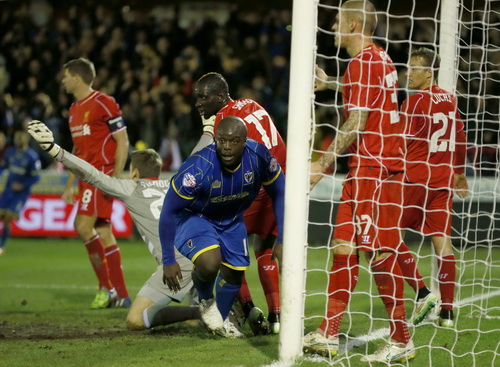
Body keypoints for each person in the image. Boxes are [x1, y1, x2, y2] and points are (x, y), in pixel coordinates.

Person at [26, 120, 230, 335]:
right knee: (191, 324)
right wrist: (208, 130)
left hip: (177, 265)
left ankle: (203, 312)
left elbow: (91, 174)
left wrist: (54, 150)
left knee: (136, 319)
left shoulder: (131, 188)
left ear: (134, 173)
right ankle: (217, 308)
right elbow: (196, 157)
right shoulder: (176, 181)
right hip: (203, 254)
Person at [304, 1, 415, 363]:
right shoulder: (376, 58)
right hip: (364, 168)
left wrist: (321, 163)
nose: (333, 27)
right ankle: (328, 333)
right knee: (343, 247)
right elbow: (365, 92)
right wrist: (330, 83)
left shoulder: (363, 61)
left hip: (376, 169)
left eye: (337, 22)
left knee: (379, 254)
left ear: (352, 24)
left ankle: (401, 339)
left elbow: (358, 121)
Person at [159, 116, 285, 337]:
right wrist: (168, 259)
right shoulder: (197, 168)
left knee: (235, 275)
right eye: (222, 140)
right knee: (210, 263)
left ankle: (220, 318)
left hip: (232, 218)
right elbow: (169, 210)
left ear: (245, 141)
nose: (227, 147)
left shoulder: (259, 157)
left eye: (234, 141)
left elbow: (280, 192)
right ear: (215, 140)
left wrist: (283, 239)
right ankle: (206, 298)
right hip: (196, 217)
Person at [191, 72, 286, 334]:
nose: (198, 103)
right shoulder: (251, 103)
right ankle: (278, 316)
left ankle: (247, 310)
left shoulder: (224, 120)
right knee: (264, 248)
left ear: (220, 97)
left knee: (222, 249)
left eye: (202, 97)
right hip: (279, 182)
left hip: (256, 189)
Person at [396, 47, 468, 328]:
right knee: (443, 242)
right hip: (442, 182)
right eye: (408, 67)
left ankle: (423, 292)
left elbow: (400, 144)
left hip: (413, 179)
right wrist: (459, 172)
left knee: (387, 235)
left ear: (429, 72)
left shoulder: (413, 103)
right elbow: (460, 138)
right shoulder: (450, 100)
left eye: (414, 68)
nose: (408, 73)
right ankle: (447, 312)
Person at [60, 58, 130, 309]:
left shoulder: (104, 102)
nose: (63, 80)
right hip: (85, 177)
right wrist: (69, 185)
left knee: (82, 225)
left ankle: (106, 288)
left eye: (66, 75)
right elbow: (77, 151)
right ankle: (120, 293)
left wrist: (115, 178)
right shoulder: (73, 110)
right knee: (102, 231)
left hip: (101, 174)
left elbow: (122, 141)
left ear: (77, 77)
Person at [0, 130, 41, 255]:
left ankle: (2, 245)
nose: (18, 141)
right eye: (17, 138)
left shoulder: (32, 156)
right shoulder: (10, 152)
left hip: (21, 194)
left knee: (8, 218)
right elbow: (3, 167)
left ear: (26, 140)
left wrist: (23, 185)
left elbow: (36, 177)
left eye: (21, 139)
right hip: (8, 191)